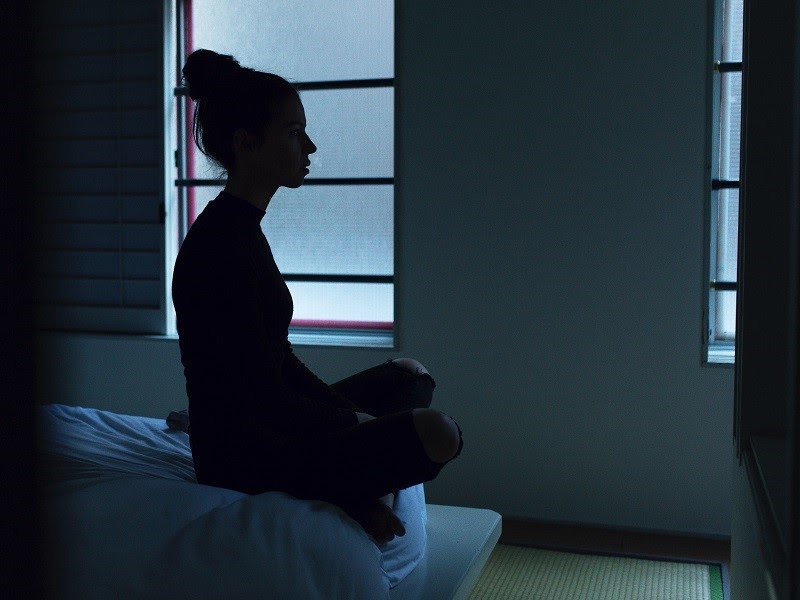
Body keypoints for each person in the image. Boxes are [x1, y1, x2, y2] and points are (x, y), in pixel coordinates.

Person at [172, 49, 462, 544]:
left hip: (272, 425)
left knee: (409, 375)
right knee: (439, 433)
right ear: (247, 143)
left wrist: (345, 413)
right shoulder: (219, 249)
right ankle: (355, 495)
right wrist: (351, 419)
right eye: (292, 132)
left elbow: (279, 360)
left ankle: (355, 491)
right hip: (245, 455)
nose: (309, 146)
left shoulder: (241, 228)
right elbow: (260, 398)